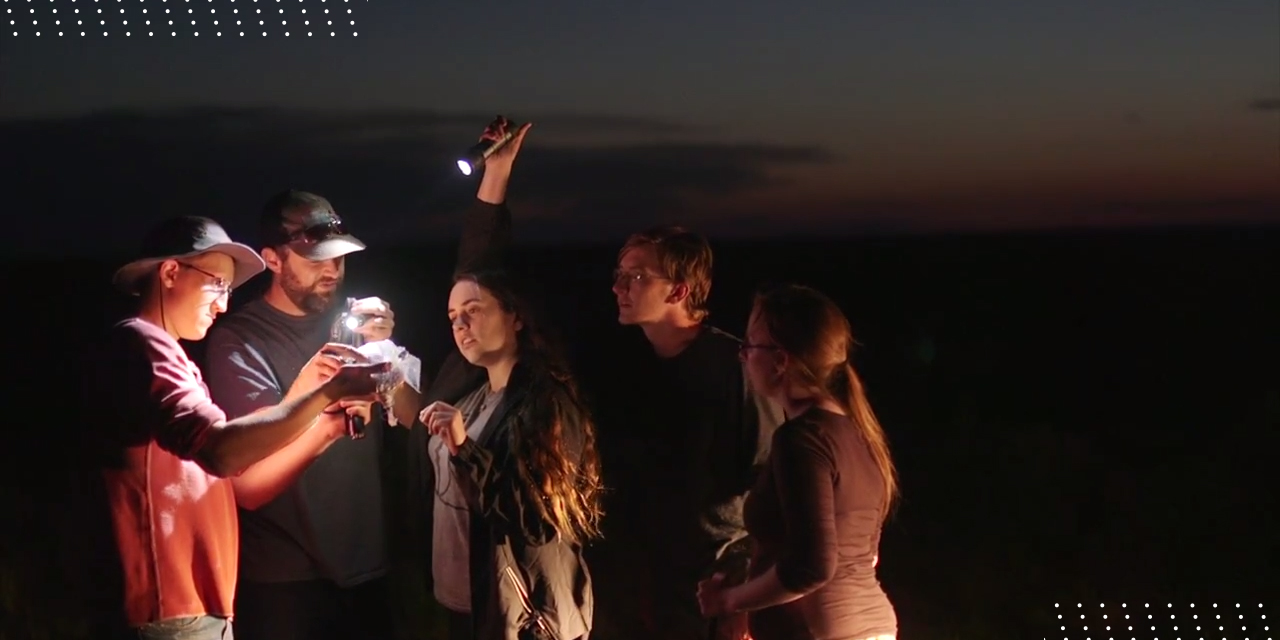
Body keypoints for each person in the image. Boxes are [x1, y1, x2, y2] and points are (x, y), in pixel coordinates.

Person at [201, 118, 525, 640]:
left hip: (370, 567)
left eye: (340, 258)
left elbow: (413, 419)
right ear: (272, 259)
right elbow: (250, 478)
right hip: (289, 580)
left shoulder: (351, 326)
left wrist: (385, 356)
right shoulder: (241, 340)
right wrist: (330, 411)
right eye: (315, 260)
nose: (332, 271)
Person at [81, 215, 386, 640]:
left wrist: (322, 410)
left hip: (196, 606)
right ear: (171, 272)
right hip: (167, 606)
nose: (224, 304)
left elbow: (242, 469)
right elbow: (221, 451)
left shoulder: (168, 354)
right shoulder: (143, 344)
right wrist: (325, 393)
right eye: (217, 284)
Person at [584, 226, 785, 640]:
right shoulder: (631, 368)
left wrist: (746, 595)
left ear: (678, 291)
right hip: (651, 581)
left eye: (637, 277)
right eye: (619, 274)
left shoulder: (735, 368)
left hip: (716, 581)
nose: (619, 287)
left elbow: (771, 479)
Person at [696, 284, 899, 640]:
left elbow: (812, 566)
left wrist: (729, 601)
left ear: (781, 359)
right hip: (869, 624)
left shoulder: (800, 440)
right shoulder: (859, 434)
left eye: (751, 345)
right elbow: (865, 557)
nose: (743, 356)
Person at [419, 269, 604, 640]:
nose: (461, 324)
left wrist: (463, 448)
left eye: (473, 310)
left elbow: (536, 521)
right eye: (453, 317)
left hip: (518, 612)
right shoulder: (474, 397)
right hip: (462, 599)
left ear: (516, 316)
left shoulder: (546, 402)